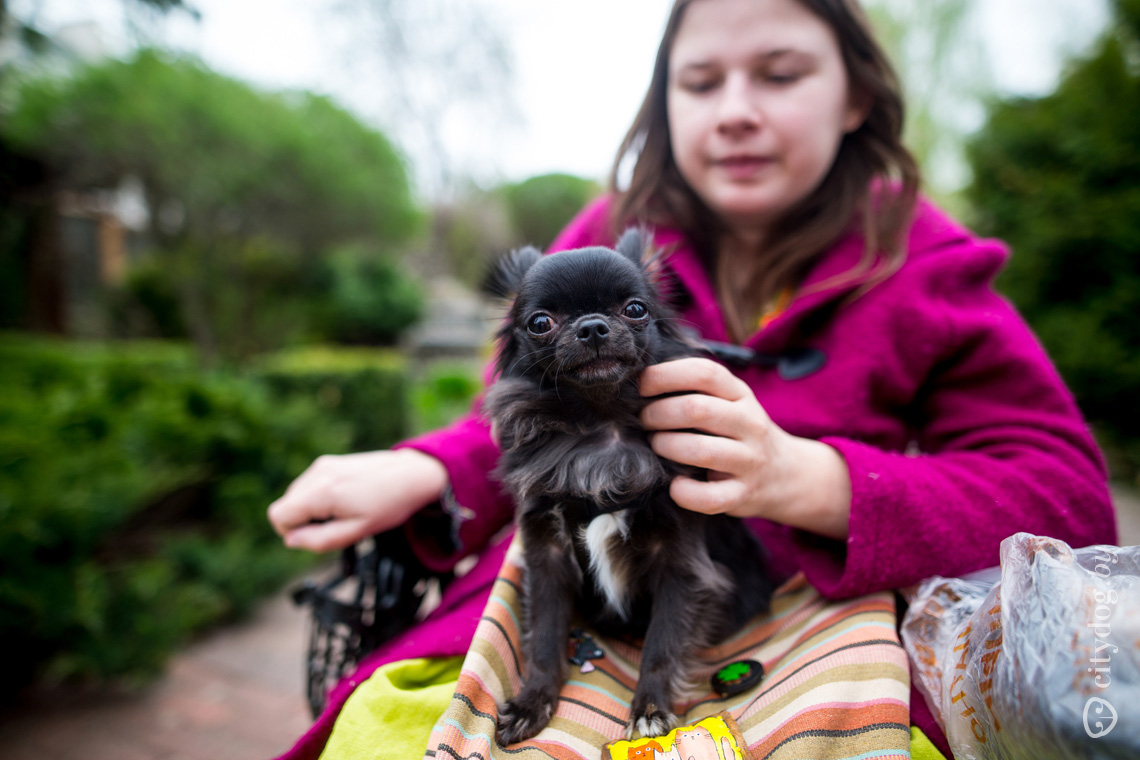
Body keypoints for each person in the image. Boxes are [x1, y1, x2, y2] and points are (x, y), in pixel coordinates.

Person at [268, 0, 1117, 757]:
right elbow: (523, 406)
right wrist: (433, 469)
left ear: (857, 96)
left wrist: (812, 480)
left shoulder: (926, 270)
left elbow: (1067, 495)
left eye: (780, 74)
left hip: (821, 620)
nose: (737, 111)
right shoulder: (610, 234)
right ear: (665, 103)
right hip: (571, 622)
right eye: (701, 82)